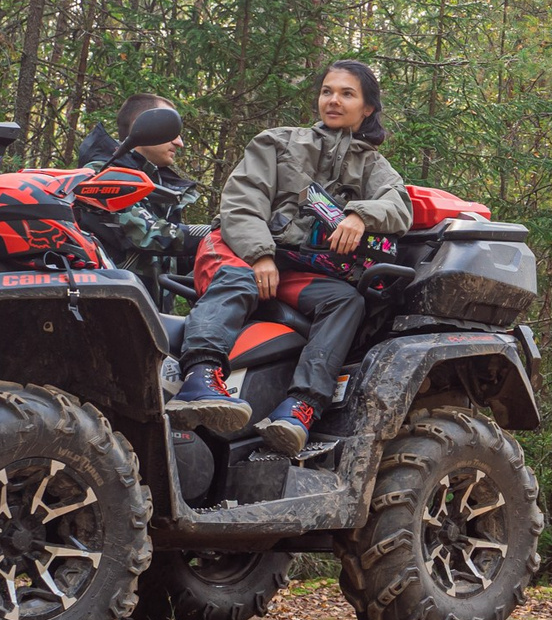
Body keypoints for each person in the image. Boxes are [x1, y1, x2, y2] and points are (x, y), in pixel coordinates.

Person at [167, 61, 412, 455]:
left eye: (347, 94)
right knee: (241, 278)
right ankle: (199, 376)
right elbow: (241, 204)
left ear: (367, 108)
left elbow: (399, 207)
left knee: (345, 300)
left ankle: (301, 407)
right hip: (238, 248)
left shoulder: (372, 165)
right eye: (327, 91)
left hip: (296, 267)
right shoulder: (277, 142)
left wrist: (360, 215)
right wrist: (261, 255)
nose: (333, 100)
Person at [74, 93, 202, 302]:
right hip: (108, 311)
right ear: (145, 128)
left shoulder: (159, 187)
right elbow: (148, 233)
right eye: (171, 131)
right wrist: (215, 233)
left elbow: (175, 260)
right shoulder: (102, 174)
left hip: (145, 319)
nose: (180, 143)